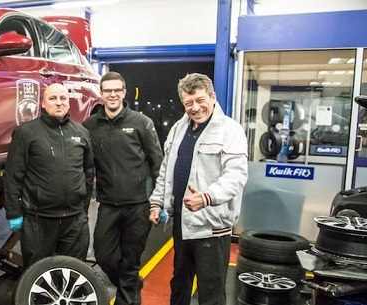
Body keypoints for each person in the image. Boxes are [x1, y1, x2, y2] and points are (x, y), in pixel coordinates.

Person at [149, 73, 248, 305]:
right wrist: (157, 203)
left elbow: (236, 176)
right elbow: (167, 171)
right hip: (182, 224)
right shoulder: (177, 129)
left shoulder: (230, 130)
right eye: (188, 103)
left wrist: (207, 197)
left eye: (200, 100)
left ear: (212, 97)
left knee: (211, 291)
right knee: (179, 283)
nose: (195, 108)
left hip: (211, 227)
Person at [83, 72, 163, 305]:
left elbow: (158, 164)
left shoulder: (141, 122)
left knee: (130, 260)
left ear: (124, 92)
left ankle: (127, 298)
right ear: (101, 93)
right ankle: (131, 285)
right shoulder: (90, 126)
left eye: (117, 90)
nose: (113, 95)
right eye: (108, 91)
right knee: (103, 255)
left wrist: (159, 201)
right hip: (108, 205)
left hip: (138, 206)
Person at [4, 82, 95, 267]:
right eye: (53, 98)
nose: (59, 103)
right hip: (39, 222)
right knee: (38, 275)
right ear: (43, 104)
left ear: (69, 103)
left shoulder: (82, 133)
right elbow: (13, 176)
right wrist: (14, 213)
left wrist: (83, 210)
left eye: (63, 98)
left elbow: (89, 172)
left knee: (73, 273)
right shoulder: (26, 133)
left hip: (74, 222)